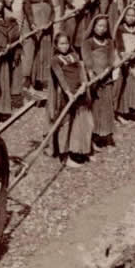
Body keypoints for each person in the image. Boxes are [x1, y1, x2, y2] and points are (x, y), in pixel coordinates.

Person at [47, 32, 94, 168]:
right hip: (66, 96)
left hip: (80, 93)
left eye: (66, 43)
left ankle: (82, 150)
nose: (64, 46)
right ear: (56, 45)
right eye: (61, 44)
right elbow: (60, 77)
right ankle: (64, 156)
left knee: (82, 122)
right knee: (65, 125)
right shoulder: (55, 60)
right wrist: (68, 93)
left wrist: (84, 84)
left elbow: (81, 71)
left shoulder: (74, 55)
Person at [81, 14, 118, 148]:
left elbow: (111, 57)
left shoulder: (109, 42)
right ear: (94, 27)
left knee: (106, 105)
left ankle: (105, 133)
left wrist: (109, 68)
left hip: (106, 77)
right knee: (95, 106)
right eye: (99, 26)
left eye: (104, 26)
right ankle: (93, 136)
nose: (102, 29)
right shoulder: (88, 42)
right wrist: (92, 73)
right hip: (94, 79)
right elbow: (87, 59)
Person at [21, 0, 54, 94]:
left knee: (44, 54)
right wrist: (33, 25)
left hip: (45, 30)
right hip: (32, 30)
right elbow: (28, 12)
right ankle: (28, 82)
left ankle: (42, 81)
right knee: (30, 54)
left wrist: (50, 22)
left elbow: (53, 11)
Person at [115, 6, 135, 123]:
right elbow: (119, 44)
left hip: (134, 60)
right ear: (124, 16)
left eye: (133, 16)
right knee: (122, 83)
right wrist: (124, 55)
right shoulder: (120, 29)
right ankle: (120, 111)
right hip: (122, 59)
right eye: (128, 15)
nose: (131, 18)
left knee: (133, 83)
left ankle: (130, 109)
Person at [3, 0, 24, 106]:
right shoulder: (1, 12)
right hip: (6, 45)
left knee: (16, 69)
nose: (10, 0)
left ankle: (15, 97)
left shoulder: (14, 10)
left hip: (15, 44)